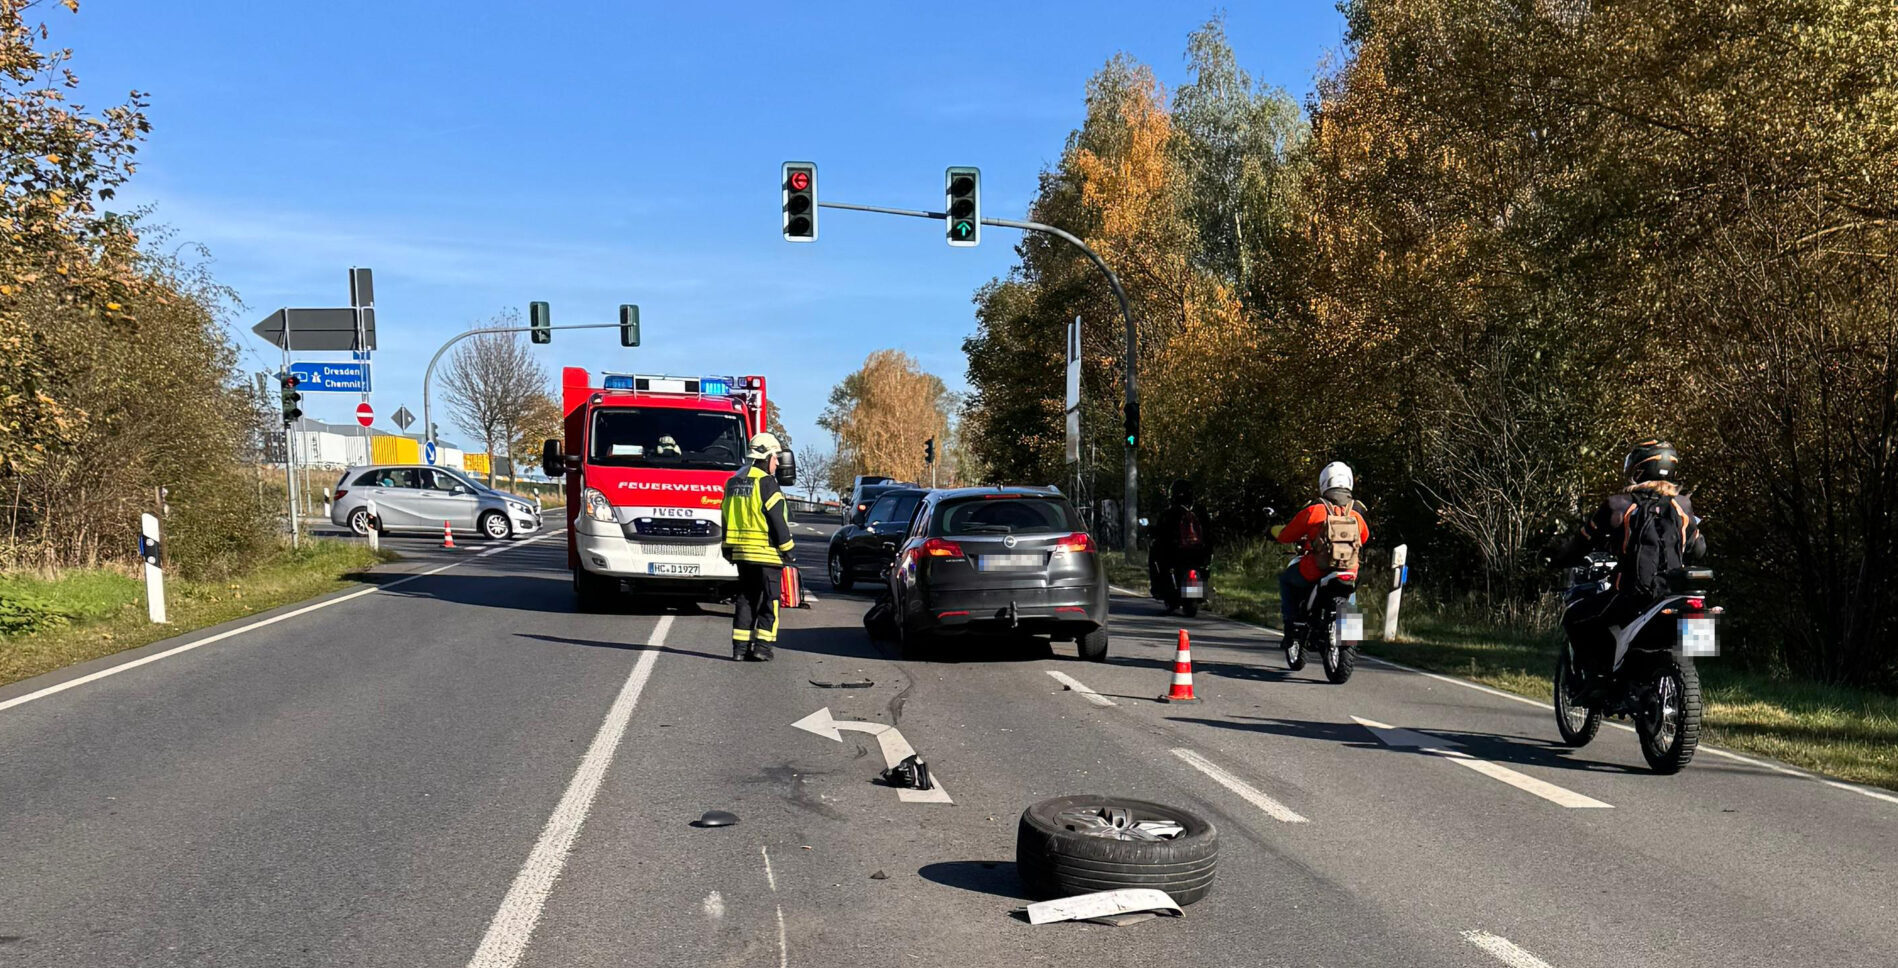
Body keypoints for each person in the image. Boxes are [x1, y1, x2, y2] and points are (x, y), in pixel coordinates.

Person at [1549, 439, 1706, 680]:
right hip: (1674, 596)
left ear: (1638, 469)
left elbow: (1581, 544)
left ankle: (1596, 682)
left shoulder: (1618, 505)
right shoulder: (1684, 506)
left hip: (1633, 597)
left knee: (1573, 617)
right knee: (1698, 631)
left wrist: (1557, 560)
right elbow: (1699, 550)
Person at [1271, 462, 1370, 636]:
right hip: (1349, 569)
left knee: (1286, 580)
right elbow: (1364, 538)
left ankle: (1291, 626)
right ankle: (1352, 634)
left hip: (1317, 568)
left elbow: (1287, 535)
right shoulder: (1357, 513)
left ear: (1324, 482)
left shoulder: (1314, 510)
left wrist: (1274, 531)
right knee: (1352, 596)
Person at [721, 432, 795, 661]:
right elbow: (776, 519)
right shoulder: (766, 482)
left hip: (742, 553)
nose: (776, 464)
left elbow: (725, 515)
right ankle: (763, 648)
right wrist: (788, 549)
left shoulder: (734, 481)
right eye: (775, 458)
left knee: (745, 599)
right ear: (766, 457)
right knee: (770, 601)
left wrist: (727, 547)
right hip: (766, 553)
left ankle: (739, 649)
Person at [1150, 479, 1212, 611]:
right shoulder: (1200, 512)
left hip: (1176, 553)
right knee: (1204, 566)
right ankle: (1198, 592)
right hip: (1198, 553)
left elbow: (1160, 532)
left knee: (1157, 558)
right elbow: (1210, 532)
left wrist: (1151, 532)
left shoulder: (1170, 513)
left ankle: (1163, 590)